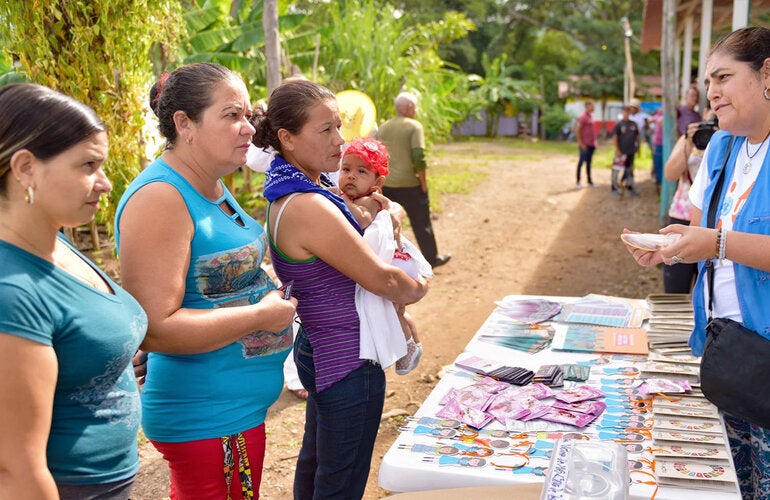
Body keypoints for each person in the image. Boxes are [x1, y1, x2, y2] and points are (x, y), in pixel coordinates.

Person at [115, 63, 297, 499]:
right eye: (231, 115)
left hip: (233, 410)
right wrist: (260, 315)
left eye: (246, 116)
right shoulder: (161, 197)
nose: (248, 128)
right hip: (207, 416)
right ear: (185, 124)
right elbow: (155, 327)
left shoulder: (210, 182)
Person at [252, 79, 428, 499]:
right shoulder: (308, 205)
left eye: (338, 126)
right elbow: (383, 280)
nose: (339, 140)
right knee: (340, 480)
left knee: (318, 463)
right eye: (326, 130)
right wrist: (419, 286)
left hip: (322, 347)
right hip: (348, 356)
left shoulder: (296, 193)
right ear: (287, 138)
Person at [623, 26, 770, 498]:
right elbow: (702, 231)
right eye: (708, 82)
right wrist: (670, 246)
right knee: (735, 481)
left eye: (724, 77)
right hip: (728, 352)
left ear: (767, 73)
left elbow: (718, 241)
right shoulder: (723, 148)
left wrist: (716, 244)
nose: (712, 94)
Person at [0, 83, 147, 499]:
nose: (104, 183)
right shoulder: (11, 292)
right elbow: (15, 470)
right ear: (26, 167)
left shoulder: (54, 241)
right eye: (88, 166)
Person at [338, 137, 429, 375]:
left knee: (392, 308)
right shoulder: (362, 198)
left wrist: (342, 200)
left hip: (393, 262)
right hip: (394, 260)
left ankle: (409, 345)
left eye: (361, 171)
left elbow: (362, 219)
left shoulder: (368, 200)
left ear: (377, 182)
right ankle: (413, 344)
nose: (351, 176)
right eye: (345, 169)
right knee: (395, 308)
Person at [375, 92, 451, 267]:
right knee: (421, 222)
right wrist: (423, 182)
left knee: (388, 224)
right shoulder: (414, 126)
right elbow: (419, 156)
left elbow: (378, 156)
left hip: (388, 184)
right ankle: (431, 258)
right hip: (410, 184)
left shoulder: (384, 127)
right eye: (414, 107)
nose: (415, 110)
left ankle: (387, 259)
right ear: (409, 108)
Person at [661, 111, 717, 293]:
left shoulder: (733, 140)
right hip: (682, 215)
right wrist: (688, 142)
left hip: (714, 223)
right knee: (676, 283)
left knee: (708, 289)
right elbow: (670, 174)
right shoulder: (691, 136)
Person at [612, 104, 640, 196]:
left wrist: (638, 149)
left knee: (630, 170)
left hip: (631, 151)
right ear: (622, 112)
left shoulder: (633, 124)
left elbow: (637, 137)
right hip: (621, 151)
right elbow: (615, 138)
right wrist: (617, 150)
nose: (626, 113)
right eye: (625, 111)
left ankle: (630, 186)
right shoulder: (619, 124)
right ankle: (615, 188)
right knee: (616, 170)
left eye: (628, 111)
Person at [574, 100, 597, 188]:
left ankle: (589, 181)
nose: (593, 108)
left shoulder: (591, 117)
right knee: (581, 162)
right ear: (587, 107)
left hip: (591, 144)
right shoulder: (583, 117)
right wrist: (581, 143)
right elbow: (578, 130)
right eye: (591, 106)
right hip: (585, 144)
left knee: (589, 163)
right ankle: (578, 181)